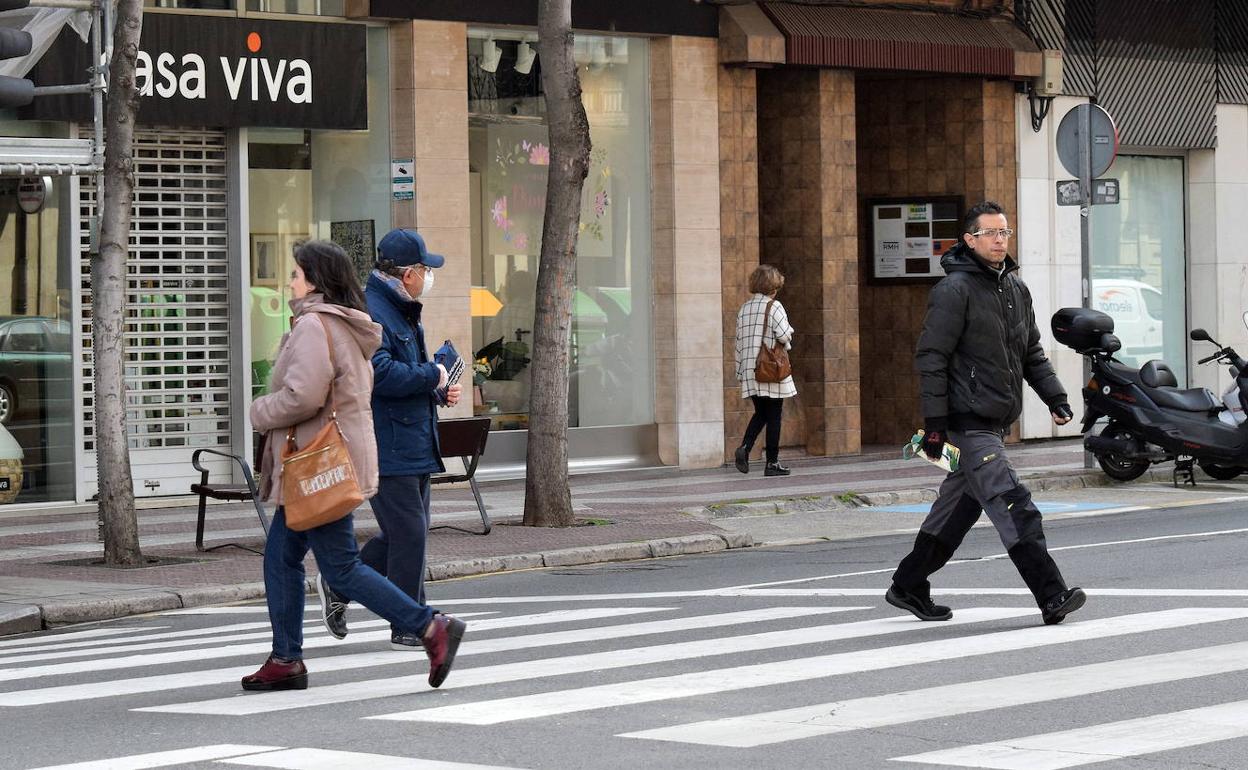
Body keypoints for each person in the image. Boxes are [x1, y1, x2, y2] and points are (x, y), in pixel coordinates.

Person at [245, 239, 465, 691]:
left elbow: (302, 396)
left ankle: (428, 626)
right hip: (333, 458)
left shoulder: (315, 325)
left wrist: (259, 411)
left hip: (316, 463)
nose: (291, 281)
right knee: (283, 557)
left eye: (296, 273)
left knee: (340, 566)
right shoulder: (351, 323)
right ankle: (285, 658)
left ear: (315, 279)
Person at [886, 201, 1086, 626]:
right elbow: (932, 358)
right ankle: (1051, 595)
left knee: (957, 511)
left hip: (992, 420)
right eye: (991, 233)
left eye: (1005, 233)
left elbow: (1030, 351)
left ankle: (907, 584)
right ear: (970, 240)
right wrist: (935, 426)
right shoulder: (953, 291)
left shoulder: (1015, 289)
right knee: (1014, 503)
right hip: (966, 423)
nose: (1000, 240)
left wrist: (1055, 397)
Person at [315, 229, 461, 650]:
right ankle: (410, 621)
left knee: (406, 533)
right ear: (410, 273)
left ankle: (341, 584)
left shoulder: (403, 307)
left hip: (413, 437)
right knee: (410, 532)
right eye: (426, 269)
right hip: (384, 438)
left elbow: (410, 368)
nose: (430, 277)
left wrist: (437, 387)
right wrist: (430, 375)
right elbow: (376, 373)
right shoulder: (373, 309)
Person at [732, 264, 796, 477]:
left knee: (761, 412)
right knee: (774, 414)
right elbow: (784, 335)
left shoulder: (744, 309)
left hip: (750, 369)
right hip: (770, 369)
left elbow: (738, 343)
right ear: (773, 286)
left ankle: (745, 447)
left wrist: (740, 372)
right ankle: (772, 463)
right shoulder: (774, 306)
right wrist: (789, 333)